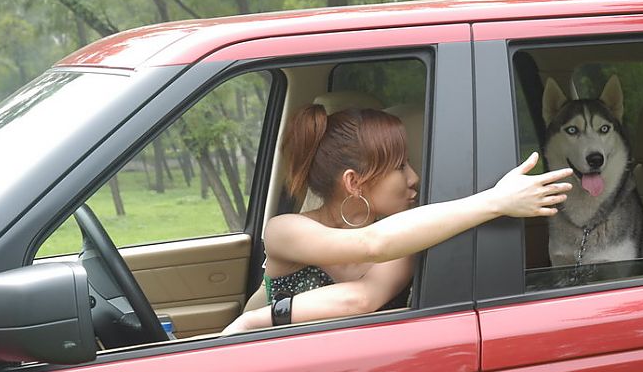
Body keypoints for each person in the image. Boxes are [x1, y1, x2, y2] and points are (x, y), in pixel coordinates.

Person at [222, 105, 572, 334]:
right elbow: (370, 248)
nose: (414, 177)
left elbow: (364, 295)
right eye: (399, 166)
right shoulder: (285, 229)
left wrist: (255, 319)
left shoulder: (406, 236)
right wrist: (495, 201)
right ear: (354, 182)